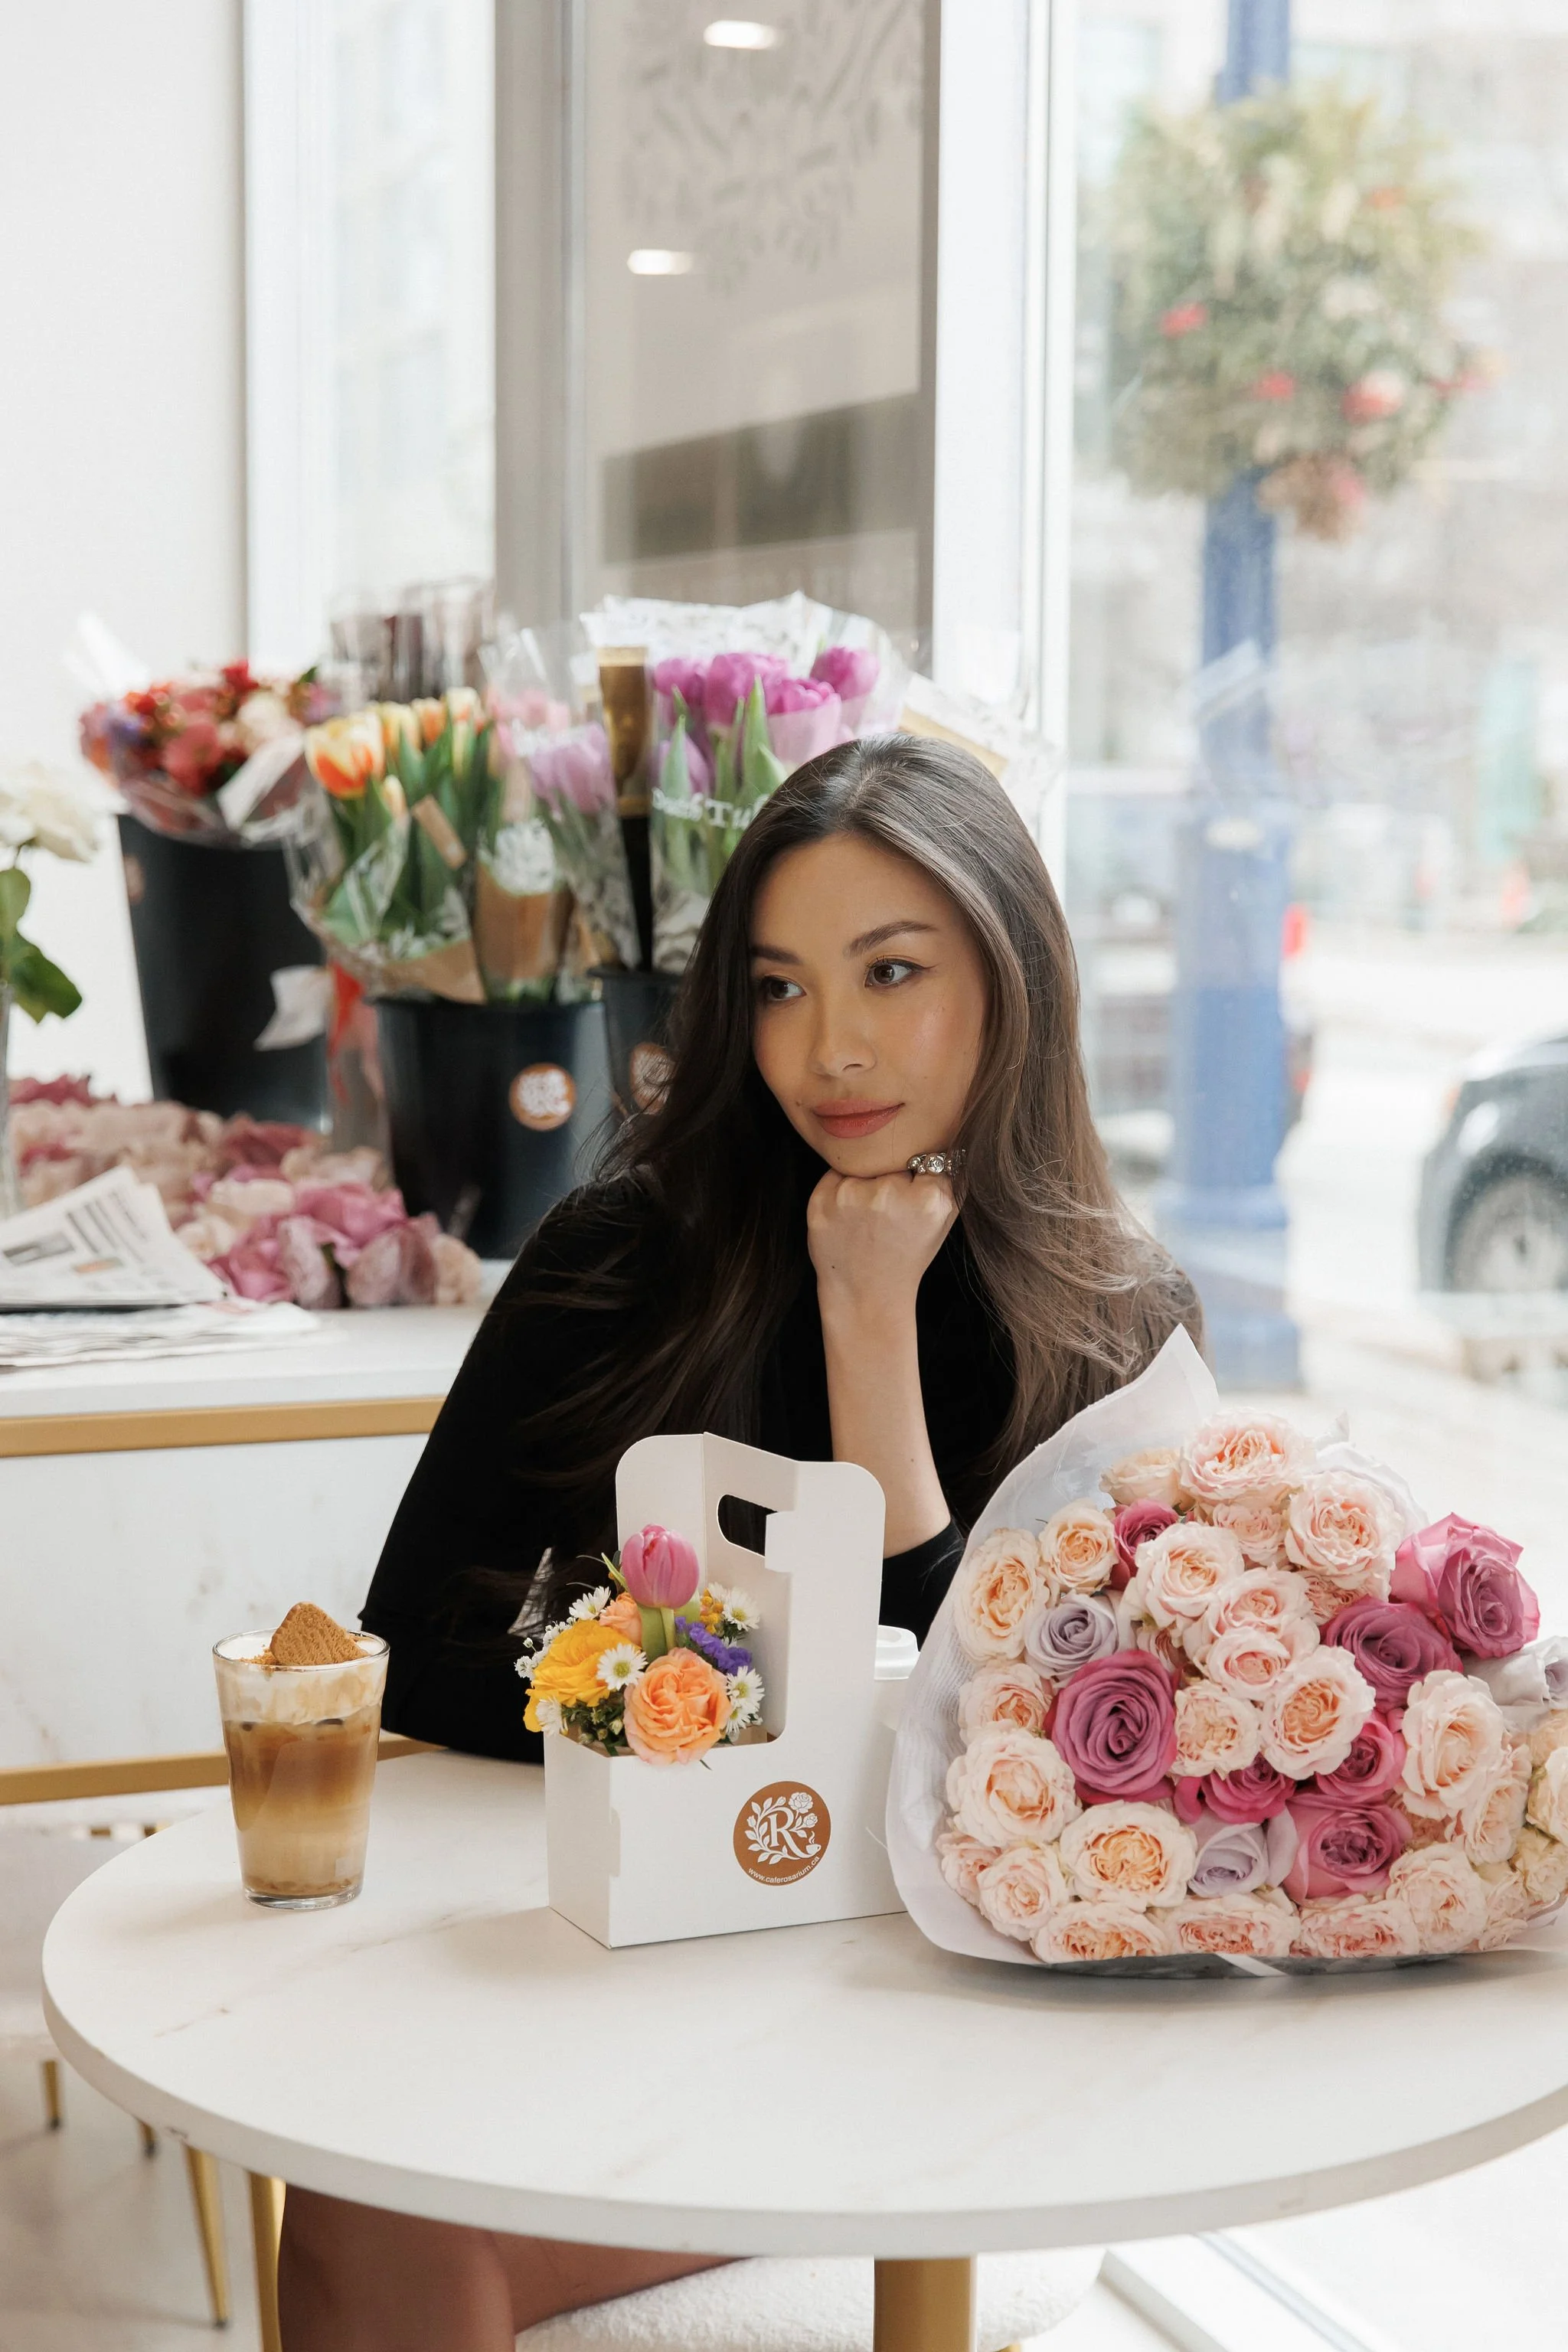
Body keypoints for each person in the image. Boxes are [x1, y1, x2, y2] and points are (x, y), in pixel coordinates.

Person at [279, 733, 1200, 2348]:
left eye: (889, 972)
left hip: (944, 2034)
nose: (826, 1049)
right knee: (367, 2198)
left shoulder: (1121, 1324)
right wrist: (682, 1692)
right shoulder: (628, 1251)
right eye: (776, 987)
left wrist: (870, 1325)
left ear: (1012, 978)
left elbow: (987, 1759)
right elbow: (411, 1638)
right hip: (647, 1959)